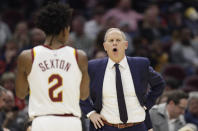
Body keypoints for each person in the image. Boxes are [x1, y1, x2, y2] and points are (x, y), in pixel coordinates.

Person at [15, 2, 89, 131]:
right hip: (71, 122)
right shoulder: (79, 56)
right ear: (65, 29)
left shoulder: (27, 56)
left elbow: (21, 94)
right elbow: (84, 95)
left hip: (42, 122)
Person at [80, 28, 165, 131]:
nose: (114, 43)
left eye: (118, 40)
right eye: (111, 41)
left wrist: (147, 104)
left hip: (137, 126)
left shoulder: (140, 65)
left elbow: (159, 84)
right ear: (105, 46)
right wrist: (90, 113)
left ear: (126, 45)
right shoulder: (93, 67)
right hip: (107, 127)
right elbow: (78, 89)